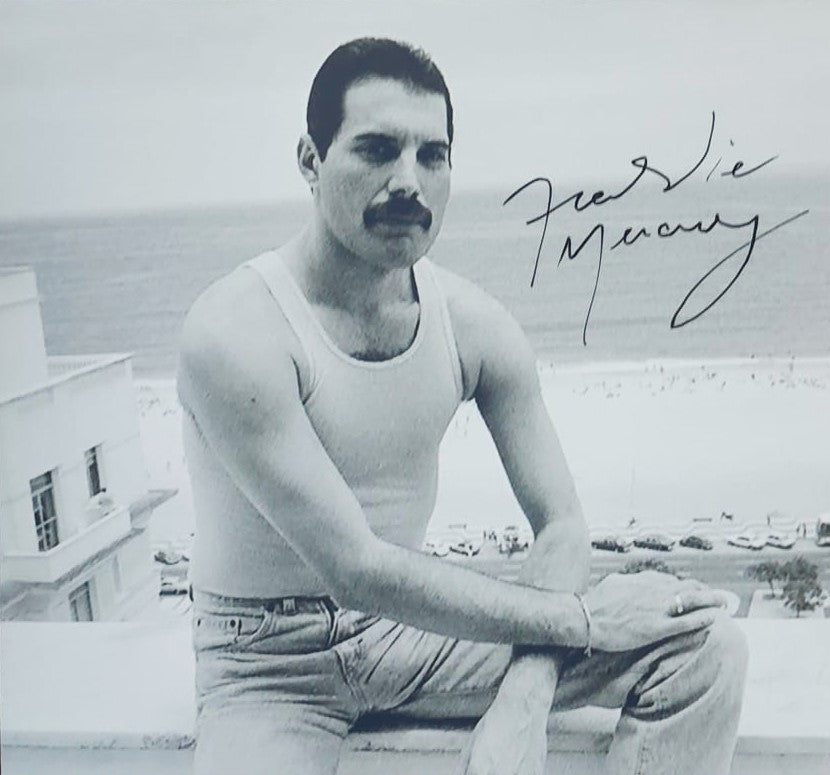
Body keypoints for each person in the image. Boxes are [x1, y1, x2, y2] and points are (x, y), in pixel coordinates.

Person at [177, 38, 747, 775]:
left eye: (432, 156)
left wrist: (524, 694)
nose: (407, 181)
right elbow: (355, 566)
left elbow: (562, 523)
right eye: (376, 150)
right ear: (310, 160)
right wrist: (577, 619)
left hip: (407, 630)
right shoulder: (235, 331)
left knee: (704, 646)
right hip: (264, 664)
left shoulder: (473, 326)